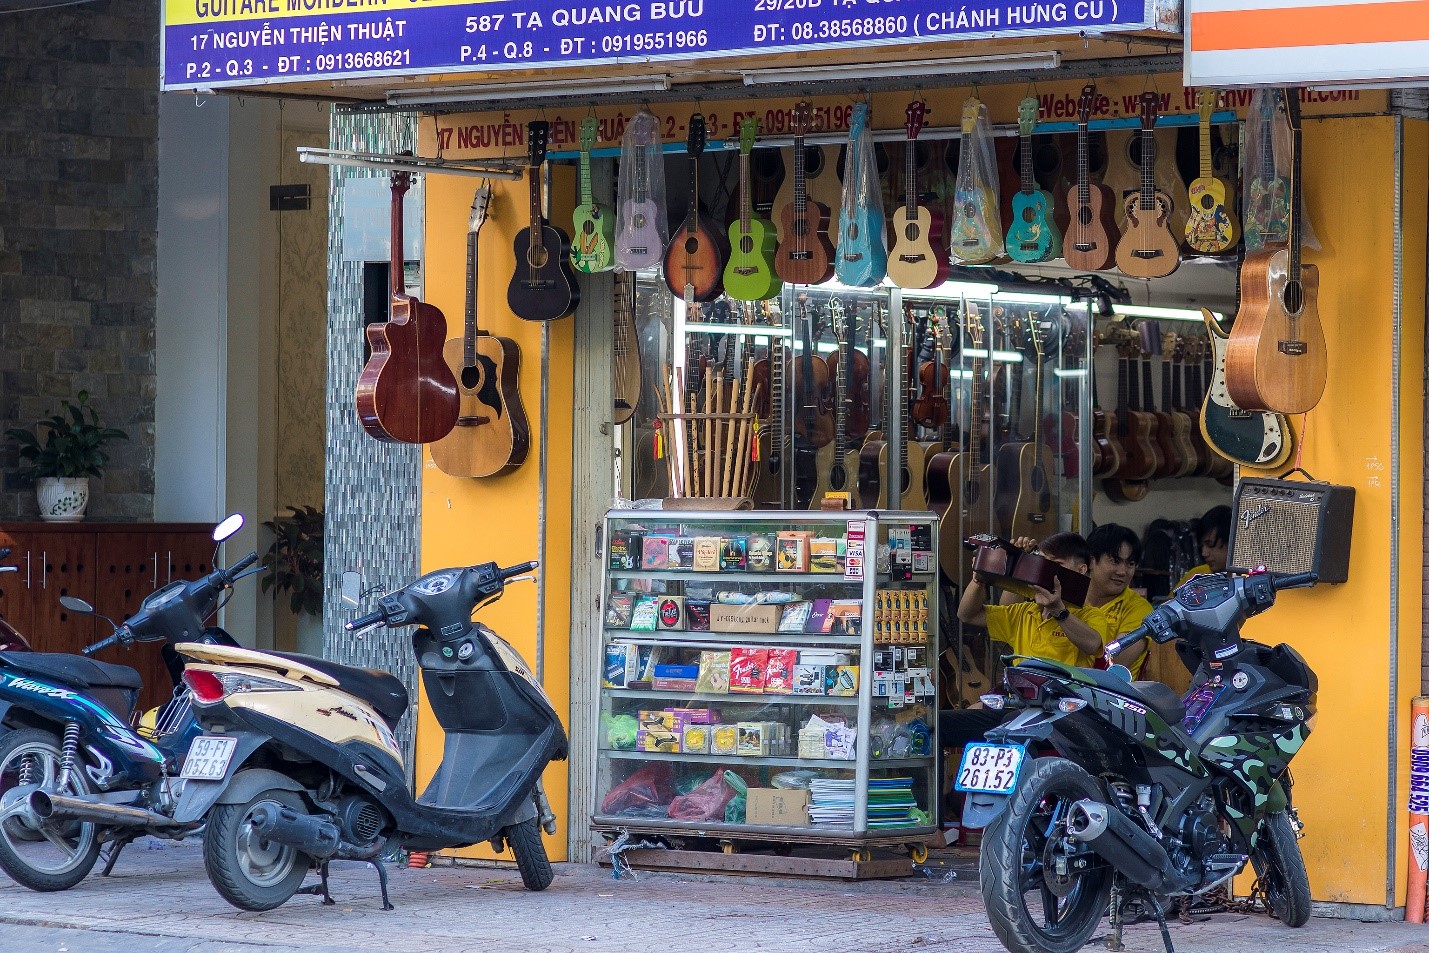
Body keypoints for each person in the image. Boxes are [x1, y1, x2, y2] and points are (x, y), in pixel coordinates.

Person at [942, 532, 1113, 751]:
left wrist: (1058, 610)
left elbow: (1092, 644)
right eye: (1042, 564)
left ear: (1081, 571)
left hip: (1064, 713)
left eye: (1056, 565)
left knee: (1010, 727)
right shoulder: (1025, 612)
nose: (1046, 571)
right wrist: (980, 578)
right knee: (939, 725)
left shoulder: (1090, 615)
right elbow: (967, 614)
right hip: (1018, 706)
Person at [1085, 524, 1154, 677]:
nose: (1122, 572)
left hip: (1108, 696)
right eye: (1115, 561)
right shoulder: (1069, 600)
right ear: (1091, 561)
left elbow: (1111, 665)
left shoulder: (1140, 609)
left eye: (1130, 563)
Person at [1177, 504, 1232, 588]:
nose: (1204, 553)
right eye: (1201, 546)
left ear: (1232, 542)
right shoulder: (1196, 576)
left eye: (1210, 544)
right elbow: (1171, 601)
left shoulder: (1253, 577)